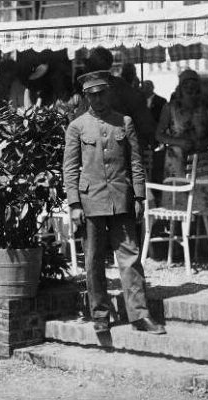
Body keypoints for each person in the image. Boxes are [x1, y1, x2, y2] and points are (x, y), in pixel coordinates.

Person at [63, 71, 165, 335]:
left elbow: (135, 163)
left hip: (121, 198)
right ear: (86, 97)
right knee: (94, 260)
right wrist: (74, 204)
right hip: (90, 201)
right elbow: (70, 169)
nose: (98, 99)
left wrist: (140, 196)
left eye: (102, 93)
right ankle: (99, 315)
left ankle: (140, 315)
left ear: (109, 93)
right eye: (92, 95)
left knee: (130, 258)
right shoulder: (77, 127)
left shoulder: (124, 122)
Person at [82, 47, 156, 149]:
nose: (86, 68)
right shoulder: (89, 88)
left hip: (119, 145)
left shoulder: (120, 87)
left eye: (91, 64)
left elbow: (141, 116)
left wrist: (146, 141)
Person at [155, 69, 208, 178]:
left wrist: (204, 143)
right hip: (176, 159)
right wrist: (178, 142)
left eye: (194, 87)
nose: (191, 91)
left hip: (200, 158)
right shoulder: (170, 108)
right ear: (181, 88)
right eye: (187, 87)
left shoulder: (205, 108)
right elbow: (158, 135)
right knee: (177, 192)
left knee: (201, 192)